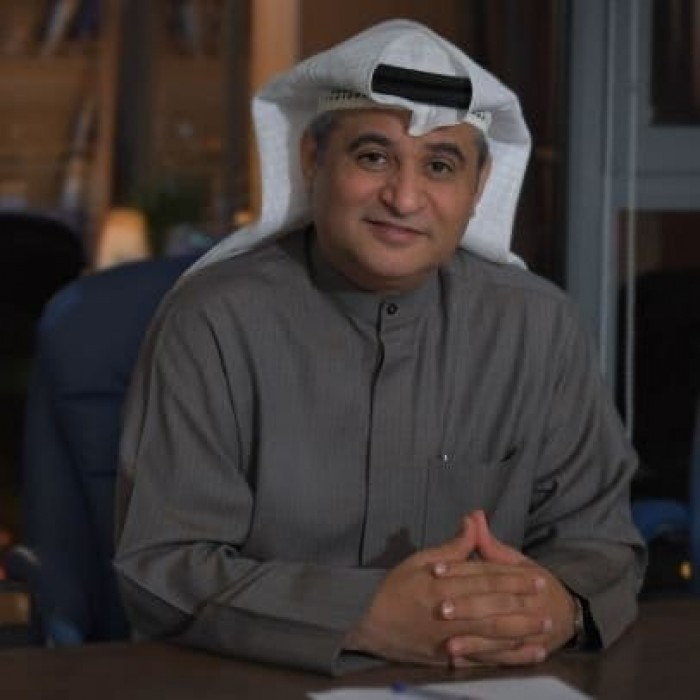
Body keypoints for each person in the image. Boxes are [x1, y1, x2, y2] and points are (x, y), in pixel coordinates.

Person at [114, 19, 646, 674]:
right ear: (313, 160)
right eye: (373, 157)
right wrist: (361, 615)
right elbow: (161, 566)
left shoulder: (540, 327)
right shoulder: (214, 323)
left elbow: (600, 541)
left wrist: (554, 604)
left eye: (440, 166)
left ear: (478, 187)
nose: (404, 197)